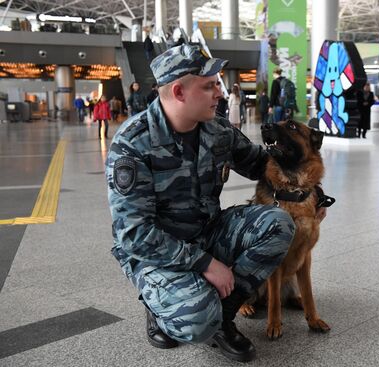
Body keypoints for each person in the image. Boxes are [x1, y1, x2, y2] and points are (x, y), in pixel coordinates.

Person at [106, 44, 318, 362]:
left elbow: (263, 164)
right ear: (179, 92)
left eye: (217, 84)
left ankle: (224, 318)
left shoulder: (217, 129)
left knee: (278, 223)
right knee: (196, 317)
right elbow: (134, 235)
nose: (219, 92)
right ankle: (157, 304)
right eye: (209, 86)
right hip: (156, 253)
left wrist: (311, 193)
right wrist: (205, 264)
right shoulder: (133, 145)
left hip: (207, 231)